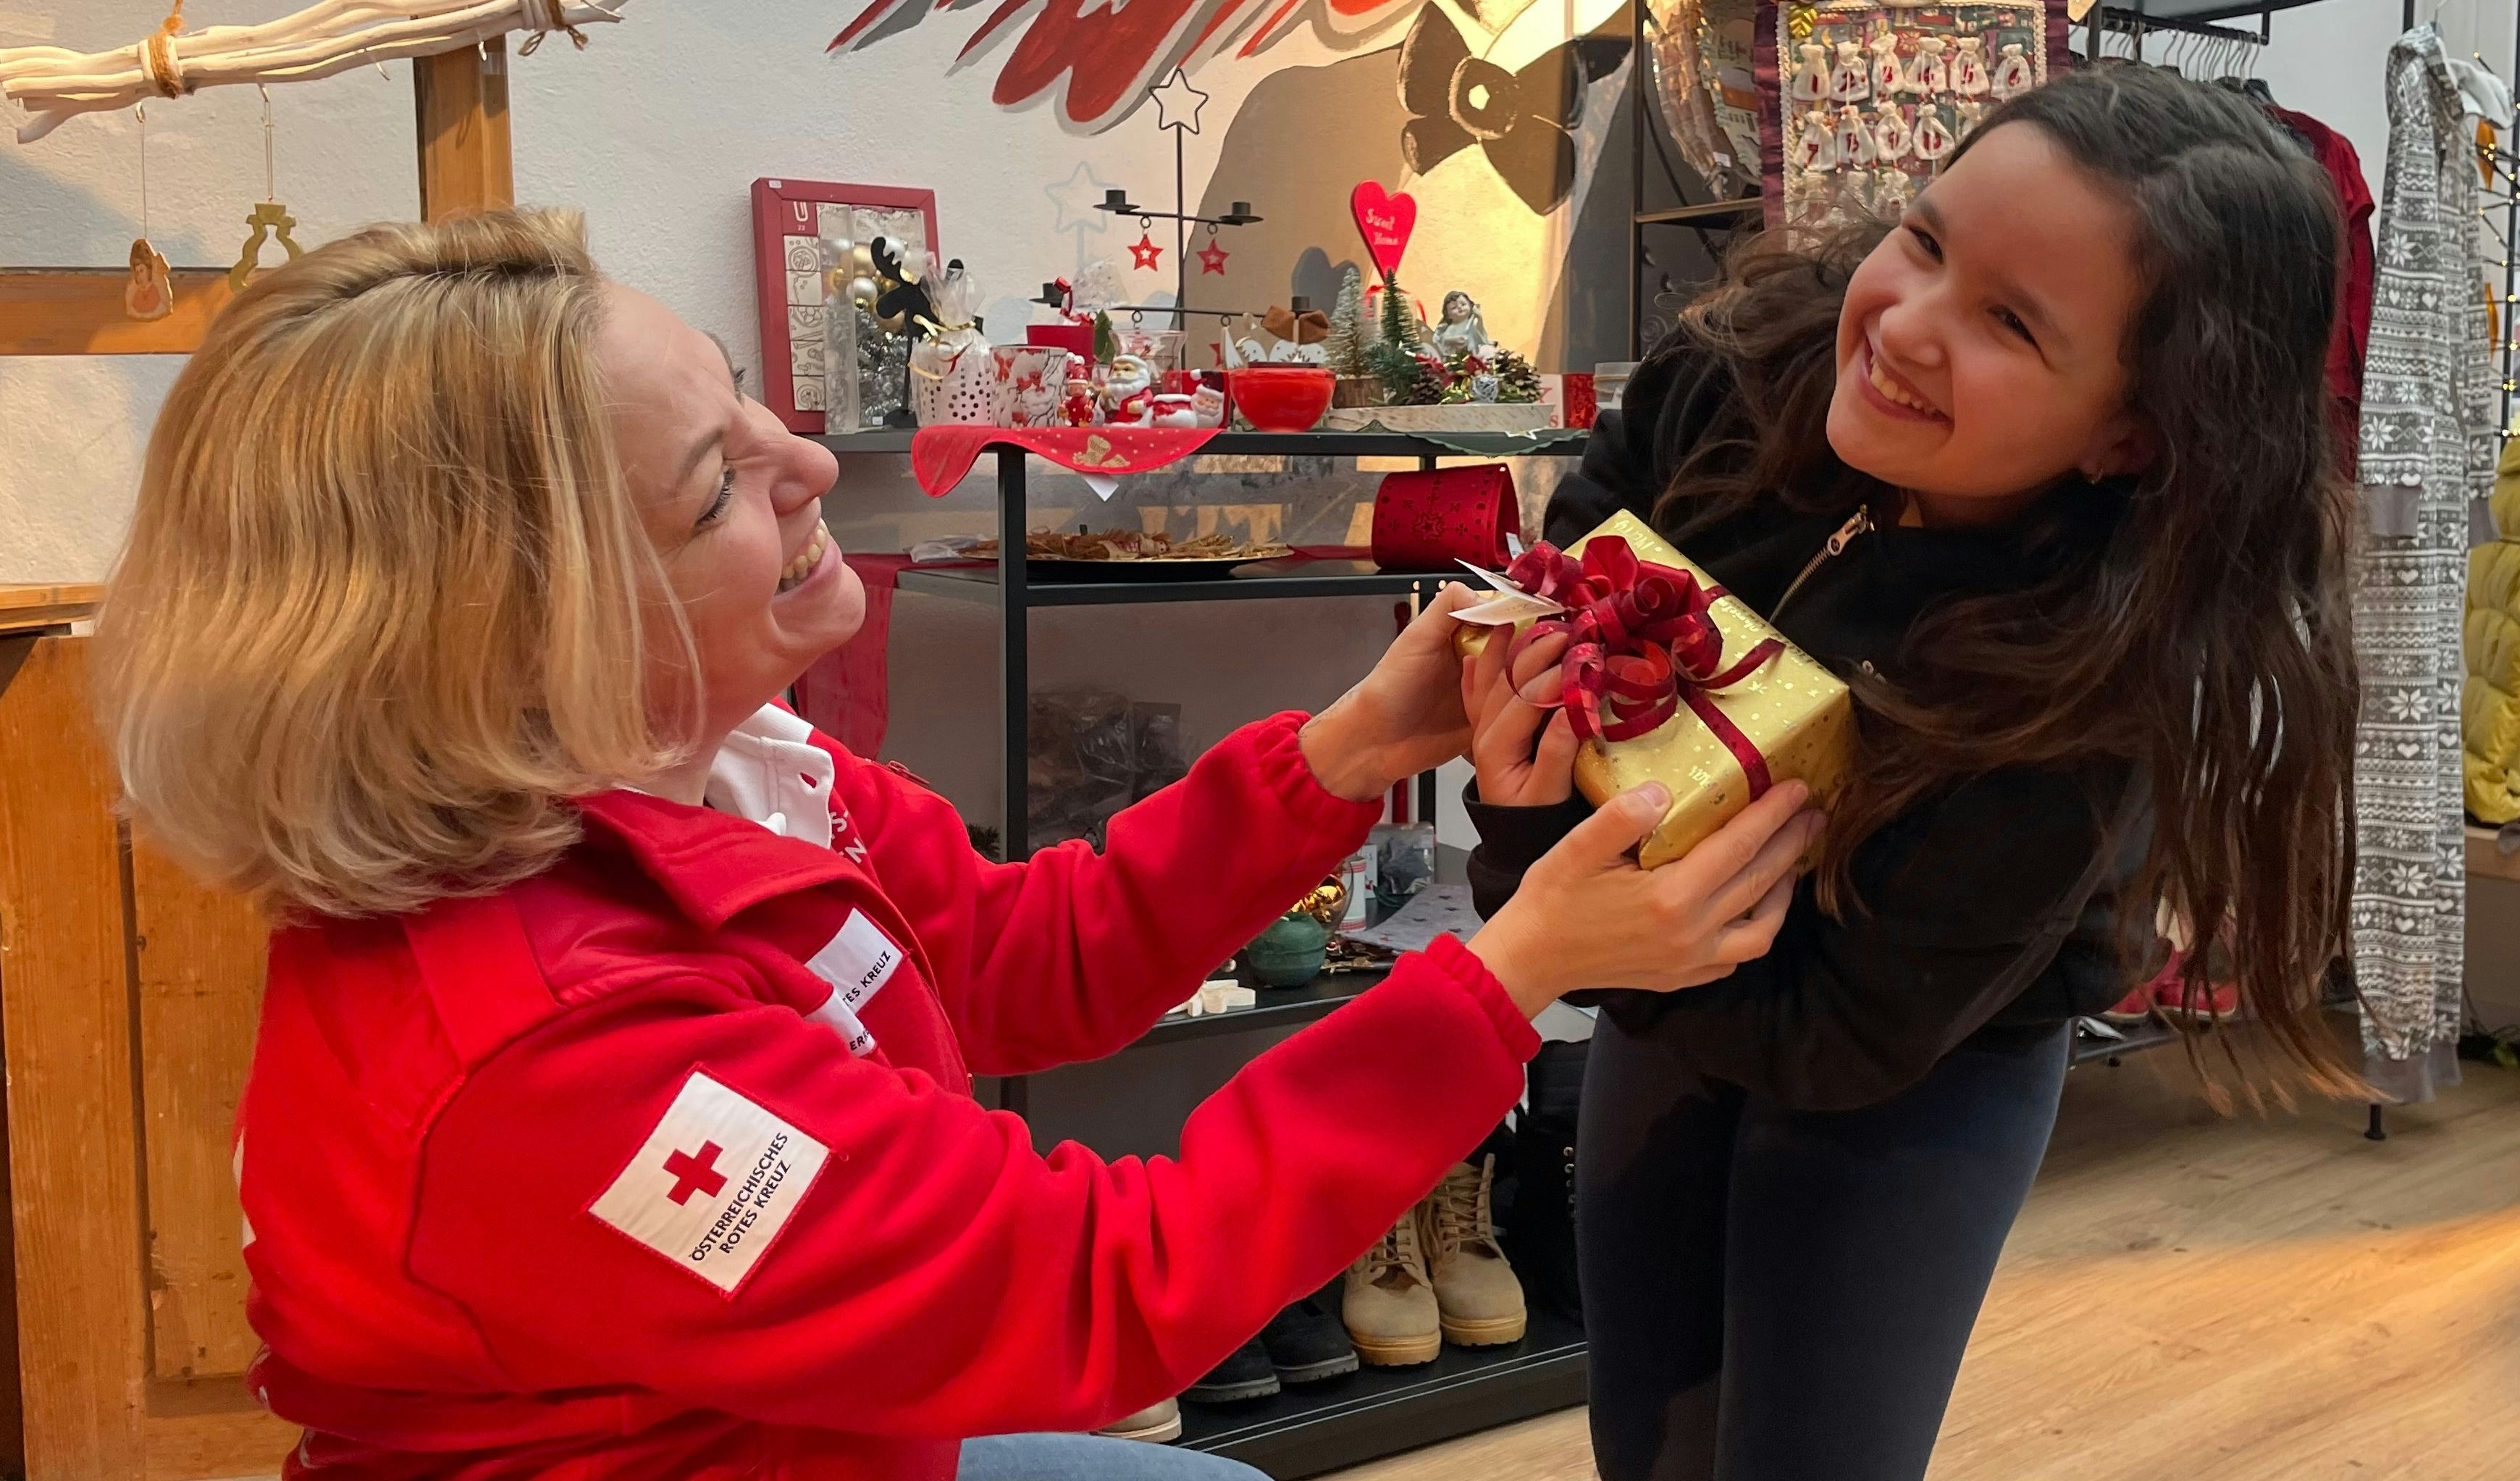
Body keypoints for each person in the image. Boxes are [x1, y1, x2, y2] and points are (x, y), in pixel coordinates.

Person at [90, 208, 1820, 1481]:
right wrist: (1507, 981)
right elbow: (1091, 1292)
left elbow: (1012, 958)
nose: (803, 462)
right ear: (518, 638)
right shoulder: (551, 1050)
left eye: (748, 404)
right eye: (715, 489)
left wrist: (1351, 745)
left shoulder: (724, 773)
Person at [1462, 66, 2359, 1481]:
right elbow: (1595, 518)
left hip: (1909, 1067)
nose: (1903, 324)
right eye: (1924, 241)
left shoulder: (2090, 691)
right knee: (1648, 1442)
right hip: (1669, 996)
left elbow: (1835, 1039)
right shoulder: (1751, 367)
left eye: (2012, 322)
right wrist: (1547, 764)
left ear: (2131, 431)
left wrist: (1563, 893)